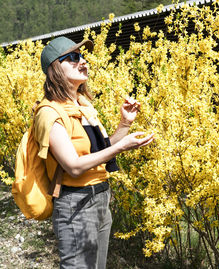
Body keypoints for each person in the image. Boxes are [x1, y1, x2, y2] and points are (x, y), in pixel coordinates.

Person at [35, 36, 154, 269]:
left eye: (82, 56)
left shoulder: (84, 106)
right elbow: (74, 165)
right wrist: (122, 146)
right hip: (76, 204)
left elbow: (100, 149)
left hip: (100, 199)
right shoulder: (49, 113)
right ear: (54, 69)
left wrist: (125, 125)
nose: (82, 62)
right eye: (73, 57)